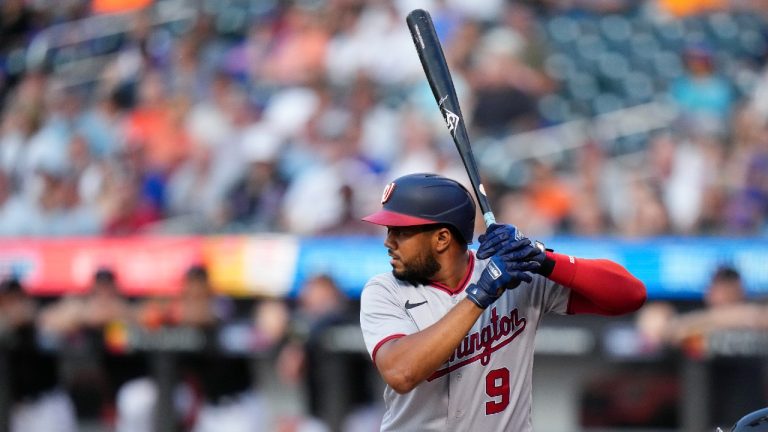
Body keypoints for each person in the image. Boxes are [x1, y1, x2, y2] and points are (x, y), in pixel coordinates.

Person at [358, 173, 647, 431]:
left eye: (401, 231)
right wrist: (480, 295)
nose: (389, 241)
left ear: (442, 238)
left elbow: (630, 295)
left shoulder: (513, 272)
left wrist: (542, 258)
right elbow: (401, 372)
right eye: (389, 231)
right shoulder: (384, 290)